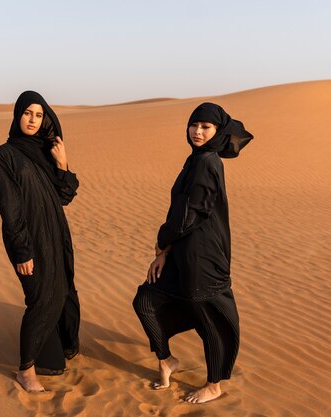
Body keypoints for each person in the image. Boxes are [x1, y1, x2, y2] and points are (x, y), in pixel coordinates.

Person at [133, 102, 253, 403]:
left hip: (203, 257)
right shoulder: (197, 158)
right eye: (194, 124)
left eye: (206, 127)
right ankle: (166, 360)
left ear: (217, 131)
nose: (198, 131)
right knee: (145, 299)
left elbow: (192, 213)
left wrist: (162, 241)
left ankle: (214, 385)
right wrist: (167, 250)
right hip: (183, 250)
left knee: (210, 320)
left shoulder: (208, 162)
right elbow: (184, 211)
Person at [0, 91, 80, 392]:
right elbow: (9, 208)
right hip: (28, 239)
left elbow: (65, 196)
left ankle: (53, 355)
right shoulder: (5, 155)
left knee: (61, 292)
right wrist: (22, 250)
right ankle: (25, 370)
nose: (32, 120)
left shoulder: (44, 152)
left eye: (39, 115)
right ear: (17, 115)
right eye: (27, 113)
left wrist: (62, 163)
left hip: (55, 234)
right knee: (42, 299)